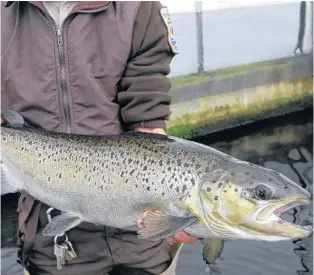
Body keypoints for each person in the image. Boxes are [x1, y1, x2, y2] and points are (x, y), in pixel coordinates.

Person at [1, 1, 198, 275]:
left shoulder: (139, 7)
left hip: (139, 239)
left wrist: (171, 212)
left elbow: (148, 123)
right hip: (50, 235)